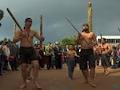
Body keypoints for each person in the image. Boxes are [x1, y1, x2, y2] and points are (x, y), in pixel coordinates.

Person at [13, 18, 44, 89]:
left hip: (31, 49)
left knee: (36, 65)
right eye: (29, 21)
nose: (30, 23)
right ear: (25, 22)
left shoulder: (33, 32)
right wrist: (21, 36)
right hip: (23, 49)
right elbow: (14, 41)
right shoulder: (19, 31)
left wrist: (42, 38)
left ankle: (35, 81)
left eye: (31, 22)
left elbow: (40, 39)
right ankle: (24, 83)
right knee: (23, 67)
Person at [77, 23, 97, 87]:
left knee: (92, 66)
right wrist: (79, 37)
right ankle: (86, 79)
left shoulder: (92, 34)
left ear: (88, 27)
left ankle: (92, 81)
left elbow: (95, 42)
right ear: (82, 28)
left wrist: (92, 44)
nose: (84, 28)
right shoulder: (81, 34)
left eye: (86, 26)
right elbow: (77, 42)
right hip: (83, 51)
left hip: (90, 51)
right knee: (83, 67)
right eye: (83, 27)